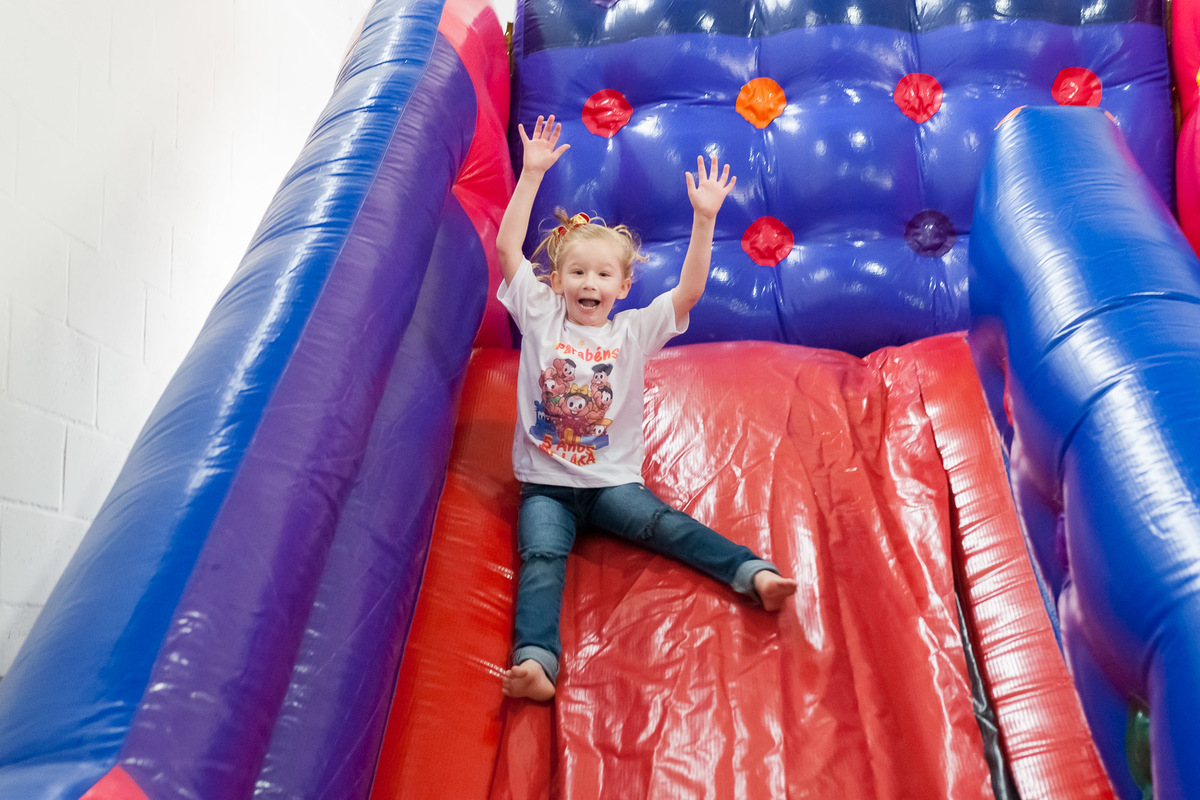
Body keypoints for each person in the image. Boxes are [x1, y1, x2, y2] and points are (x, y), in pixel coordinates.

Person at [496, 115, 798, 702]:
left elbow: (688, 292)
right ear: (555, 281)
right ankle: (537, 660)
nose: (589, 282)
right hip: (546, 486)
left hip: (613, 484)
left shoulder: (631, 331)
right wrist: (530, 175)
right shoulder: (540, 316)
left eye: (602, 274)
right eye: (577, 272)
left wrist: (705, 219)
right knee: (541, 557)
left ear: (623, 286)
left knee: (666, 526)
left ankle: (751, 572)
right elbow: (509, 248)